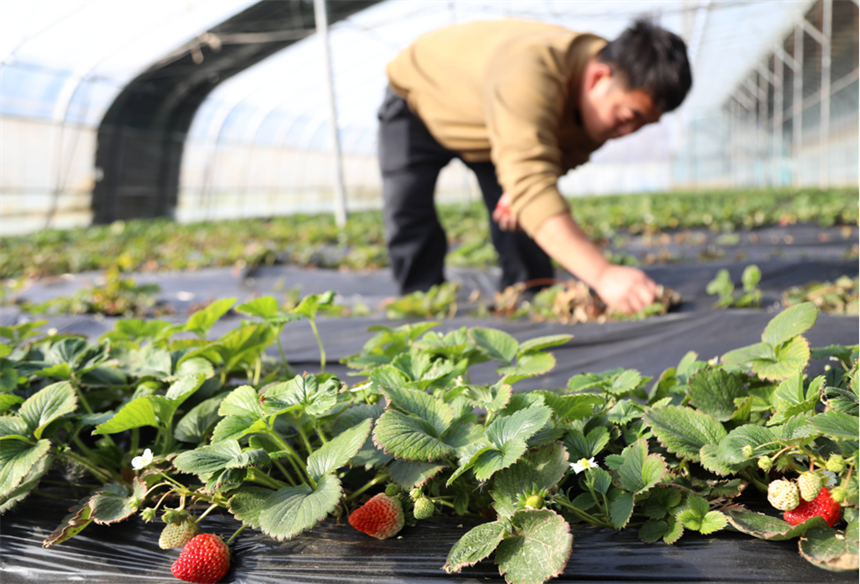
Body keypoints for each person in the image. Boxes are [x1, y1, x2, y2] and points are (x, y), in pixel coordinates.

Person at [377, 18, 692, 313]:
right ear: (599, 77)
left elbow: (560, 158)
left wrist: (524, 193)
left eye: (642, 124)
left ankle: (529, 296)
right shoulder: (530, 72)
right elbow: (533, 183)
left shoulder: (602, 104)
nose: (628, 132)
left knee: (521, 211)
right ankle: (420, 302)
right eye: (627, 118)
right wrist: (603, 274)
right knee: (408, 207)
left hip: (493, 127)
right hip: (419, 103)